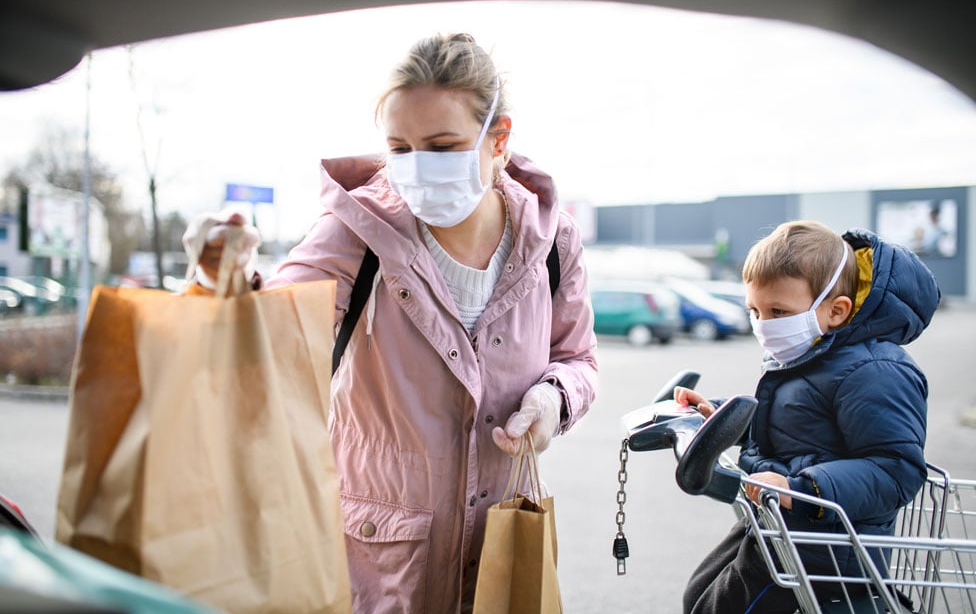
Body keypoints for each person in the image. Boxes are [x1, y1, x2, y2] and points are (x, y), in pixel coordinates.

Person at [185, 33, 598, 613]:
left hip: (504, 547)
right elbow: (266, 329)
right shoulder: (356, 229)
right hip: (381, 562)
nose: (417, 167)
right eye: (399, 147)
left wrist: (555, 400)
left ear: (498, 139)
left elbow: (577, 361)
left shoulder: (552, 239)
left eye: (443, 145)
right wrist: (220, 284)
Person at [676, 220, 940, 613]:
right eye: (755, 310)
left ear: (836, 310)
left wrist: (803, 487)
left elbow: (895, 469)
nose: (763, 325)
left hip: (828, 549)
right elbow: (794, 423)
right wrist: (722, 415)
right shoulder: (812, 356)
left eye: (778, 311)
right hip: (785, 526)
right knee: (697, 595)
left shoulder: (875, 371)